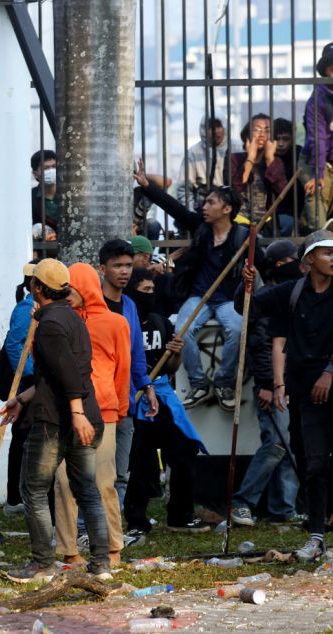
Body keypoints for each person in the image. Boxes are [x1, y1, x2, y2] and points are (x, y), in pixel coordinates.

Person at [0, 259, 111, 583]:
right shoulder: (73, 319)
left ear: (37, 287)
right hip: (84, 413)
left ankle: (42, 564)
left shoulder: (48, 325)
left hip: (60, 421)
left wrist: (75, 414)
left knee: (32, 488)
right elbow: (52, 376)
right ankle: (101, 564)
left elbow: (69, 373)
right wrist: (21, 399)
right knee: (86, 489)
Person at [242, 231, 333, 561]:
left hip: (329, 381)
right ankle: (317, 533)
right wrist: (248, 281)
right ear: (308, 259)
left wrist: (329, 372)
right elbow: (249, 305)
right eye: (327, 253)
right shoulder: (291, 293)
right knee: (311, 461)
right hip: (303, 391)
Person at [134, 163, 252, 410]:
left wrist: (252, 274)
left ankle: (224, 382)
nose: (204, 207)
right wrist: (147, 186)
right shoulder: (201, 227)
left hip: (229, 299)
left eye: (210, 203)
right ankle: (199, 383)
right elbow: (175, 208)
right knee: (181, 331)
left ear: (227, 209)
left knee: (238, 329)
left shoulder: (244, 237)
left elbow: (262, 265)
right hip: (199, 296)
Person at [122, 268, 209, 544]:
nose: (151, 295)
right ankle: (136, 520)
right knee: (140, 462)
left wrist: (177, 351)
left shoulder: (161, 321)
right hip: (136, 400)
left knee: (184, 448)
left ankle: (180, 515)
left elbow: (172, 367)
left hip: (162, 395)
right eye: (145, 290)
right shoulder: (123, 322)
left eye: (152, 290)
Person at [52, 263, 129, 568]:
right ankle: (69, 550)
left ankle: (113, 547)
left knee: (103, 482)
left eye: (70, 289)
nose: (66, 295)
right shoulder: (61, 322)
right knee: (62, 481)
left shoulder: (116, 323)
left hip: (105, 411)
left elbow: (123, 371)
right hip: (67, 412)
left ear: (83, 288)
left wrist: (120, 409)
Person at [96, 239, 156, 507]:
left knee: (120, 473)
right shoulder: (92, 305)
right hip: (97, 402)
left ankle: (113, 531)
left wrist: (147, 386)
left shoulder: (130, 305)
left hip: (125, 401)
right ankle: (86, 529)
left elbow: (136, 353)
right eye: (117, 265)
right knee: (94, 473)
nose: (124, 271)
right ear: (102, 268)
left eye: (128, 265)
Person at [0, 263, 37, 515]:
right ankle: (14, 497)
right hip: (29, 382)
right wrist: (33, 373)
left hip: (35, 380)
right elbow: (15, 346)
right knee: (22, 437)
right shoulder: (27, 310)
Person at [231, 114, 289, 234]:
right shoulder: (235, 159)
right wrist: (250, 158)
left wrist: (269, 160)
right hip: (239, 221)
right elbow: (235, 189)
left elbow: (282, 192)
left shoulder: (275, 162)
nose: (262, 134)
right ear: (247, 135)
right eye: (257, 130)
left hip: (267, 223)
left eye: (267, 130)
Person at [302, 43, 333, 229]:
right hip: (315, 159)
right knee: (317, 193)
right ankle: (321, 243)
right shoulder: (317, 99)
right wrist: (317, 172)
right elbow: (318, 137)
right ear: (326, 72)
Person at [175, 116, 229, 212]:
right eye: (211, 127)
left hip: (231, 209)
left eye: (219, 126)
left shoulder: (236, 148)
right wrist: (192, 214)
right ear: (204, 130)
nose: (216, 131)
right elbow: (184, 189)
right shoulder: (193, 153)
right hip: (203, 209)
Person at [29, 150, 59, 233]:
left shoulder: (68, 195)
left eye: (54, 166)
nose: (51, 170)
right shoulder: (29, 198)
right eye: (45, 168)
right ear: (35, 174)